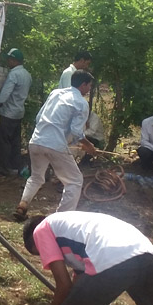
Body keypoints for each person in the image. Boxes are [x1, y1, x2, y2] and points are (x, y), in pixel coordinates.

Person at [22, 211, 153, 305]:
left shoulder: (41, 230)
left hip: (112, 256)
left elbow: (64, 287)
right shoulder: (75, 236)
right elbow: (73, 301)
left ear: (34, 242)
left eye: (40, 253)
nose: (46, 257)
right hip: (148, 254)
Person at [13, 70, 96, 221]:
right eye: (89, 85)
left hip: (36, 141)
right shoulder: (81, 103)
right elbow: (76, 131)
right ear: (83, 84)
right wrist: (89, 145)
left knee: (36, 177)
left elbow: (39, 117)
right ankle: (60, 220)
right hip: (55, 145)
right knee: (75, 181)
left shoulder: (55, 93)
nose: (89, 89)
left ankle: (22, 205)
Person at [0, 48, 32, 176]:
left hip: (8, 112)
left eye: (9, 59)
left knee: (4, 141)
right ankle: (16, 166)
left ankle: (4, 168)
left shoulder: (13, 74)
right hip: (19, 112)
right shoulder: (27, 74)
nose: (8, 61)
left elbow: (6, 93)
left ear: (14, 60)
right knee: (15, 141)